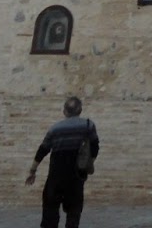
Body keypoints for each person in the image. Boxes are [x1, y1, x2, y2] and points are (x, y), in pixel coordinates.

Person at [25, 96, 99, 228]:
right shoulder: (88, 126)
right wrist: (89, 163)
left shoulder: (55, 129)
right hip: (76, 176)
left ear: (64, 111)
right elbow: (95, 147)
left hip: (56, 176)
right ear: (80, 110)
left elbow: (42, 150)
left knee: (50, 213)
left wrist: (33, 171)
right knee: (73, 214)